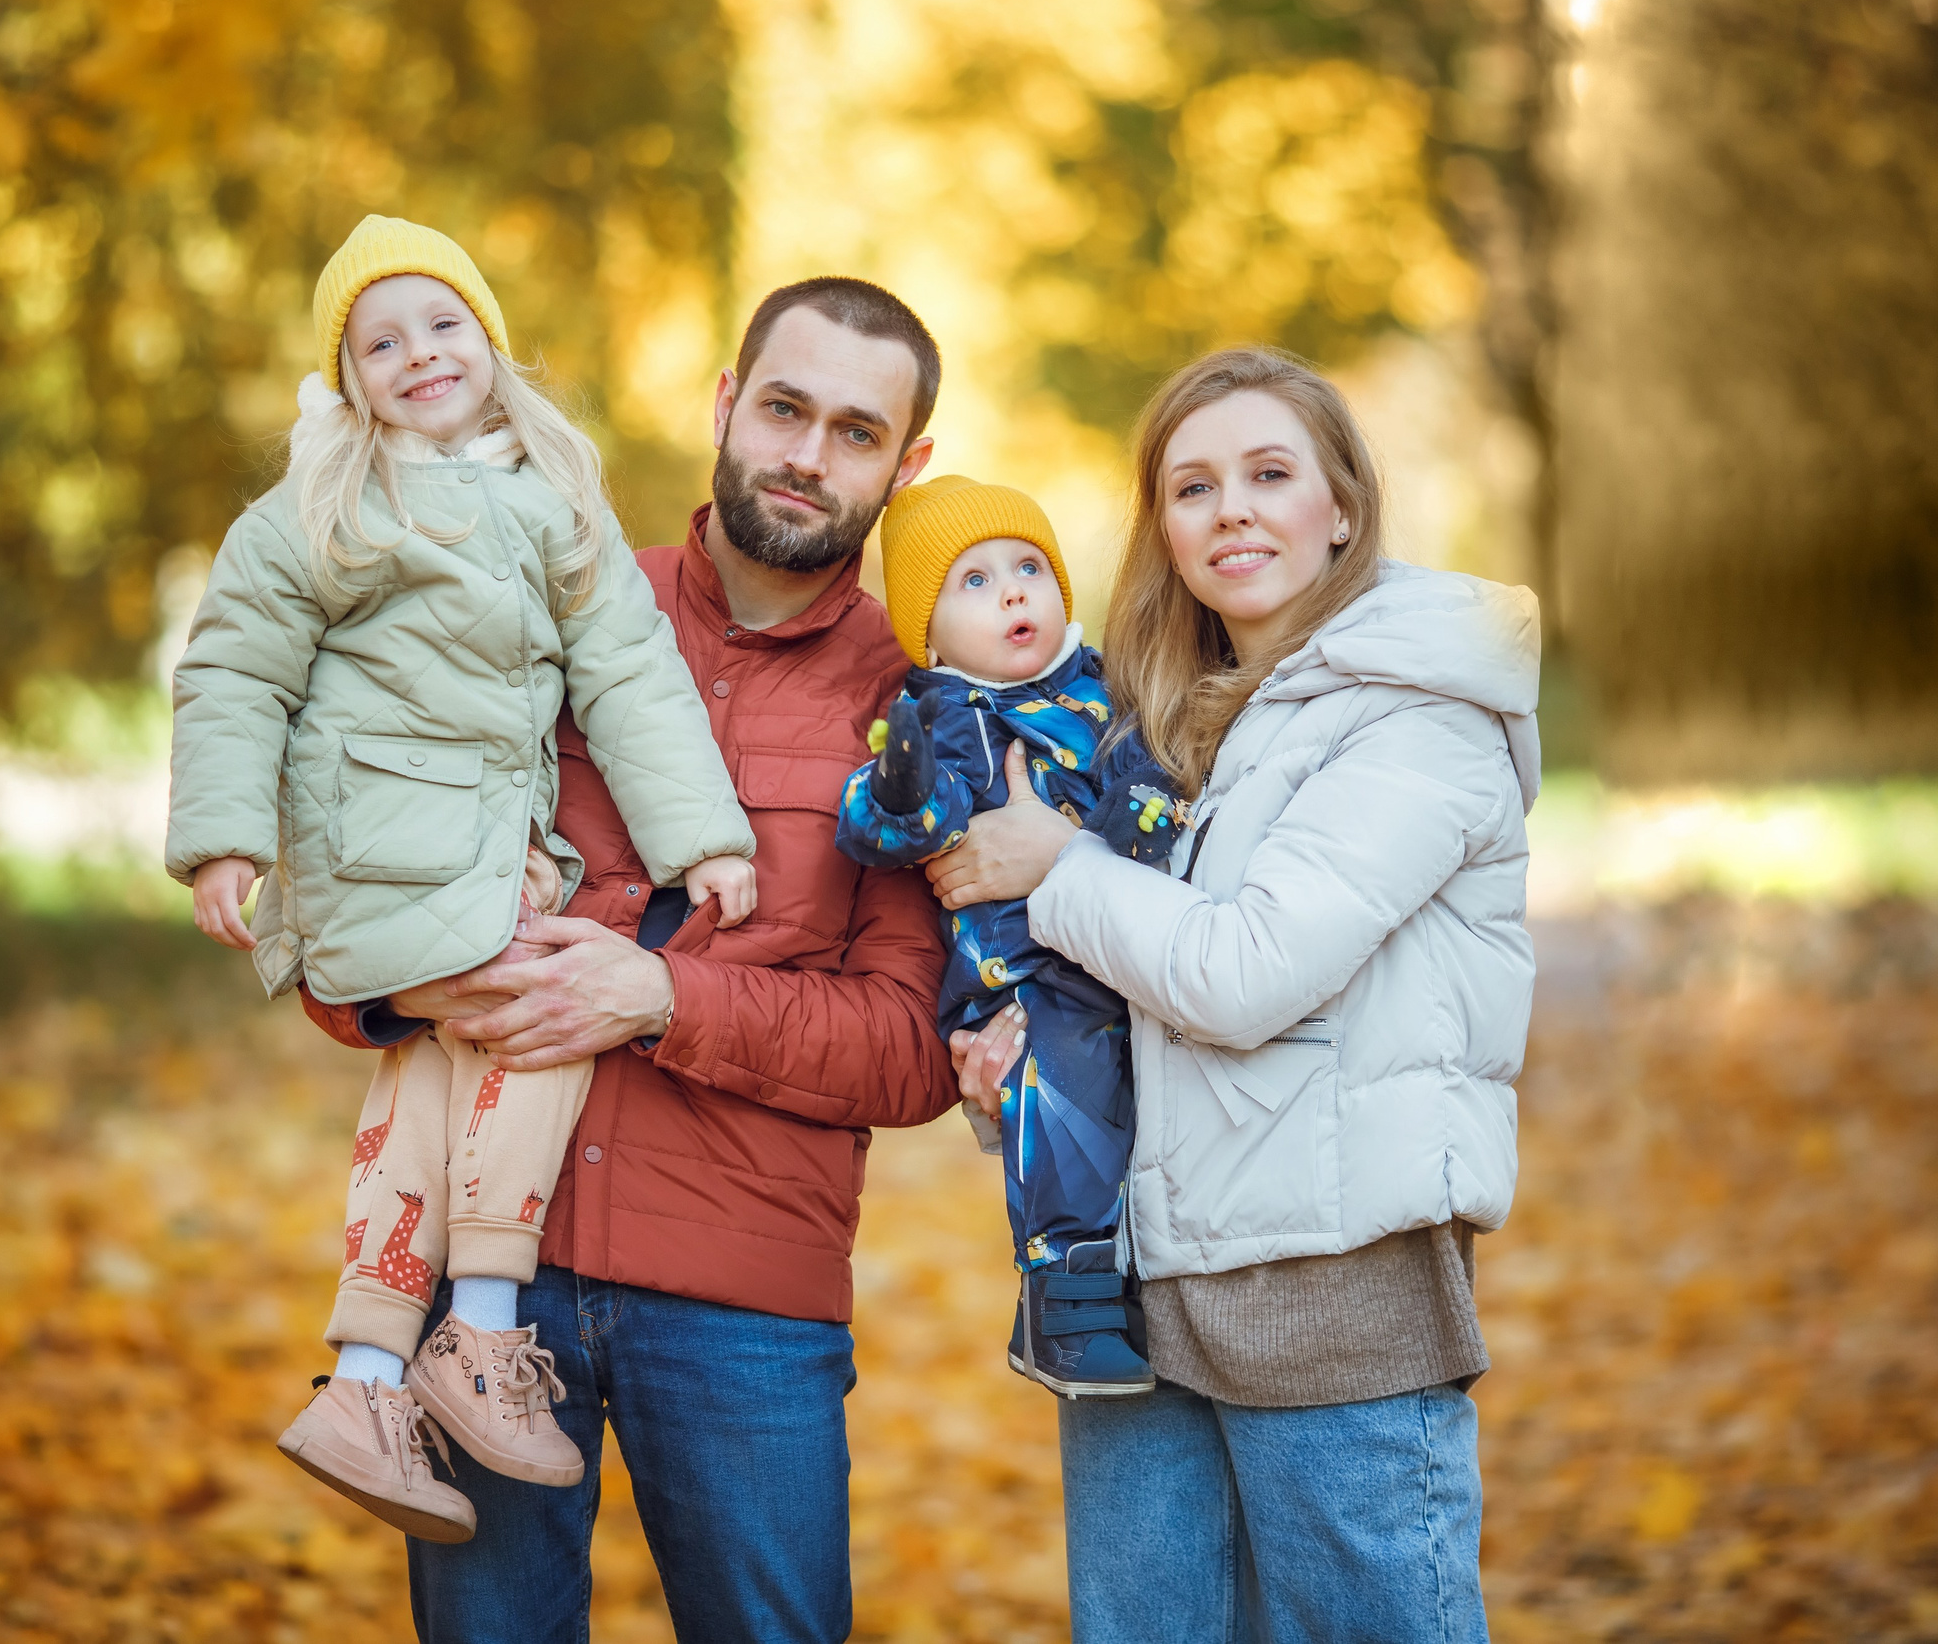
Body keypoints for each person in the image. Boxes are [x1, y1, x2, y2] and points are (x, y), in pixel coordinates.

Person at [301, 276, 960, 1644]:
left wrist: (661, 996)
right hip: (486, 1277)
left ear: (906, 465)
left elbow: (911, 1048)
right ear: (725, 404)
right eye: (783, 408)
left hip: (743, 1303)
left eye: (854, 432)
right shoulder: (530, 588)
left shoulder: (918, 706)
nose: (806, 454)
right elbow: (344, 875)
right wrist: (402, 984)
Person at [165, 215, 761, 1543]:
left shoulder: (553, 502)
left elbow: (630, 673)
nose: (420, 354)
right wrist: (223, 837)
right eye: (381, 342)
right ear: (347, 379)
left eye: (444, 324)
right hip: (374, 843)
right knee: (546, 1011)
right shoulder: (324, 508)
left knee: (433, 1067)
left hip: (472, 855)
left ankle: (367, 1375)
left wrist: (701, 838)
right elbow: (236, 665)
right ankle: (479, 1330)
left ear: (489, 341)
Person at [932, 346, 1539, 1643]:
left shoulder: (1416, 714)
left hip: (1331, 1284)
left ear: (1344, 506)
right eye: (1193, 486)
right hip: (1136, 1285)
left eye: (1270, 474)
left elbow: (1245, 972)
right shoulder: (1153, 726)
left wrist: (1056, 867)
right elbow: (1130, 982)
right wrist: (1015, 1065)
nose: (1232, 511)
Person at [831, 474, 1180, 1397]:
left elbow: (1152, 773)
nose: (1014, 593)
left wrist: (1134, 824)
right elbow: (894, 826)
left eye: (1029, 568)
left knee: (1142, 1118)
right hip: (1028, 980)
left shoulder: (1109, 689)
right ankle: (1064, 1299)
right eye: (975, 582)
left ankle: (1118, 1284)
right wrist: (902, 789)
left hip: (1128, 951)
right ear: (931, 636)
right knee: (1066, 1105)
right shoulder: (946, 721)